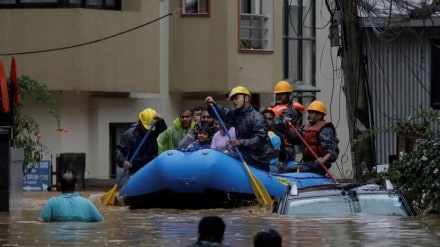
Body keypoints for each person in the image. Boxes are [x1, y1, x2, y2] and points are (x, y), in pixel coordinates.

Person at [205, 86, 271, 171]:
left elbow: (259, 139)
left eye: (236, 98)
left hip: (258, 160)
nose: (234, 101)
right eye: (233, 99)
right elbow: (223, 113)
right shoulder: (236, 114)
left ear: (246, 98)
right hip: (243, 156)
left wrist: (240, 142)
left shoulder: (257, 117)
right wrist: (212, 104)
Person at [286, 100, 339, 176]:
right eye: (309, 112)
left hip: (319, 165)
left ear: (320, 115)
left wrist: (323, 159)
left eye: (312, 112)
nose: (309, 115)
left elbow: (333, 150)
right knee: (289, 167)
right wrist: (288, 128)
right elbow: (295, 140)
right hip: (307, 162)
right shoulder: (305, 127)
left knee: (292, 169)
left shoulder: (325, 129)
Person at [36, 171, 104, 223]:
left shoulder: (52, 203)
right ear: (76, 186)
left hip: (59, 239)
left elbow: (40, 221)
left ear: (59, 185)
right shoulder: (87, 203)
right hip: (81, 238)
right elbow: (101, 221)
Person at [115, 108, 167, 175]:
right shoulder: (130, 134)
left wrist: (160, 121)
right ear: (140, 122)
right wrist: (123, 162)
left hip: (152, 166)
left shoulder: (153, 130)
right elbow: (119, 150)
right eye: (145, 127)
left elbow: (162, 129)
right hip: (136, 170)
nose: (147, 130)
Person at [268, 80, 304, 164]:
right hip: (271, 144)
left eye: (282, 94)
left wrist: (263, 119)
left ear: (289, 95)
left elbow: (278, 124)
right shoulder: (274, 108)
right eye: (277, 94)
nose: (279, 96)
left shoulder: (293, 111)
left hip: (287, 148)